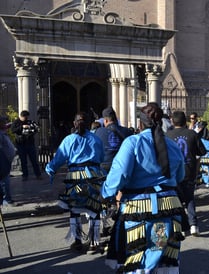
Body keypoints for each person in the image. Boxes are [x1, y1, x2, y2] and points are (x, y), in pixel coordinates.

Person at [101, 103, 186, 273]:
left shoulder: (132, 143)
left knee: (136, 255)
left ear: (140, 124)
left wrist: (105, 193)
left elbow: (120, 174)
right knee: (158, 251)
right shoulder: (172, 145)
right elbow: (180, 176)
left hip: (138, 210)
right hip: (168, 208)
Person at [45, 112, 106, 252]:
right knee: (94, 207)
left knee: (75, 208)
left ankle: (77, 241)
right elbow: (101, 157)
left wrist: (51, 169)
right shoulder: (96, 139)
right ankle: (94, 242)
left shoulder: (69, 140)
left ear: (74, 123)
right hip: (93, 177)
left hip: (75, 179)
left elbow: (59, 158)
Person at [94, 106, 133, 237]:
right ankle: (120, 217)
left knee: (104, 193)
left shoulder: (99, 132)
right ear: (115, 119)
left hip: (103, 166)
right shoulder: (127, 131)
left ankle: (105, 223)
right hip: (121, 166)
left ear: (105, 120)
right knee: (120, 190)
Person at [166, 111, 206, 236]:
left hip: (174, 173)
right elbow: (202, 151)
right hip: (189, 170)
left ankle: (181, 227)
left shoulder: (167, 136)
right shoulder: (192, 134)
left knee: (176, 200)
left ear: (172, 121)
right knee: (189, 198)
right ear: (185, 121)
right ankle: (193, 225)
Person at [10, 110, 42, 181]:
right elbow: (12, 130)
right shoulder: (16, 122)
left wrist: (31, 131)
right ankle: (25, 176)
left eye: (27, 117)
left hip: (30, 143)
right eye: (25, 118)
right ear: (21, 116)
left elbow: (36, 129)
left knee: (34, 160)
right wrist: (22, 127)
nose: (26, 119)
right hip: (21, 144)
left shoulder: (30, 121)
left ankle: (38, 174)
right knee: (23, 161)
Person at [0, 116, 16, 206]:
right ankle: (7, 199)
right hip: (3, 163)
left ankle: (7, 198)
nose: (4, 124)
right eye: (2, 122)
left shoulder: (3, 132)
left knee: (5, 182)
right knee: (4, 182)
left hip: (6, 162)